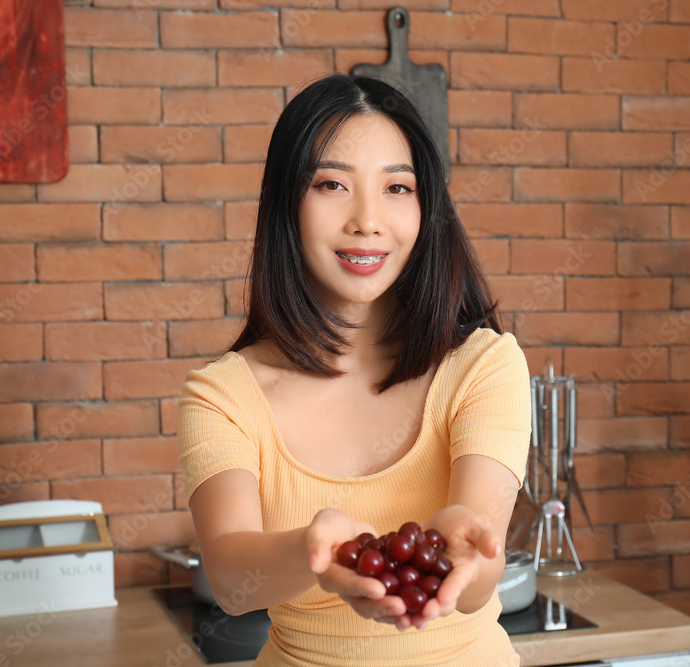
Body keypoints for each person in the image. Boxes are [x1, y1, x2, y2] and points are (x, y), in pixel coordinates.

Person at [176, 74, 532, 666]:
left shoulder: (485, 366)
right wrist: (315, 551)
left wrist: (462, 550)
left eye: (397, 187)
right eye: (332, 183)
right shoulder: (224, 394)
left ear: (427, 207)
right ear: (287, 201)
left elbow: (477, 582)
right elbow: (231, 577)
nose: (368, 220)